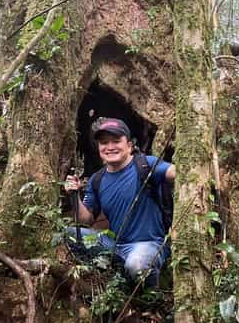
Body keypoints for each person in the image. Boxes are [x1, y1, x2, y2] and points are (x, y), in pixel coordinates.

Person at [65, 118, 175, 288]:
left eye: (116, 141)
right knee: (69, 234)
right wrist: (74, 195)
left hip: (148, 244)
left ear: (129, 145)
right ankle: (115, 274)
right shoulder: (97, 179)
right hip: (115, 246)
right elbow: (85, 220)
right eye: (104, 143)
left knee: (136, 266)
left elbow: (175, 172)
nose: (110, 147)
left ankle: (149, 300)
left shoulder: (146, 164)